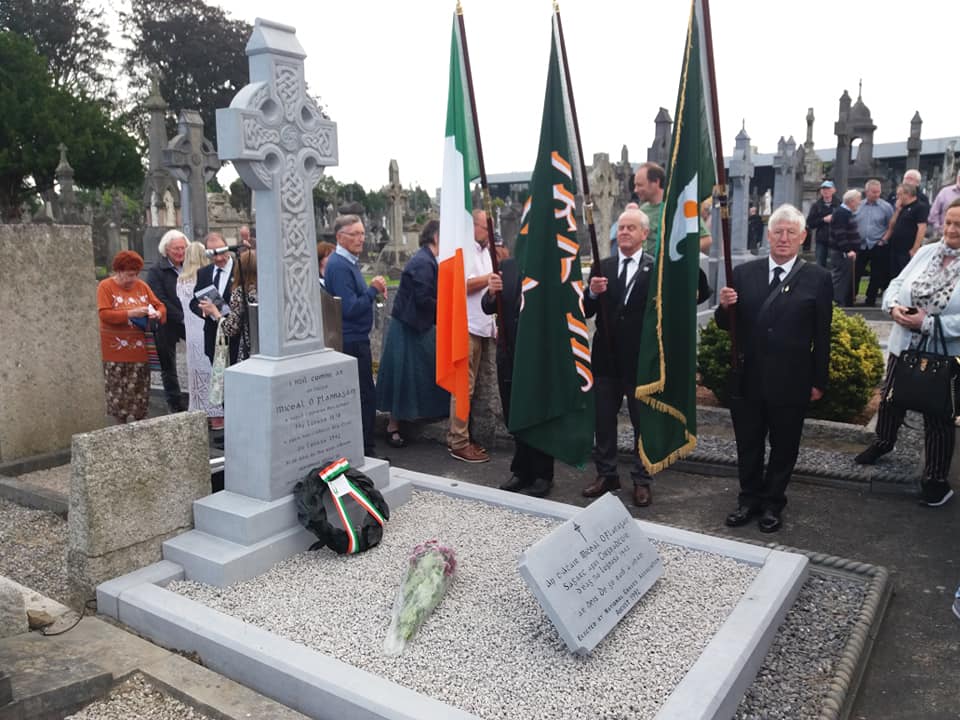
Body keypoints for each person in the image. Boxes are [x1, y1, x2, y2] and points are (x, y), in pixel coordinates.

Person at [716, 204, 833, 532]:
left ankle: (772, 503)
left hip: (792, 379)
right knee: (748, 444)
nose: (783, 238)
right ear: (768, 235)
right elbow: (727, 325)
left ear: (803, 237)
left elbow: (823, 333)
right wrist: (725, 308)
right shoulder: (743, 273)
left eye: (790, 232)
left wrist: (819, 380)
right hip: (748, 378)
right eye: (778, 232)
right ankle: (748, 498)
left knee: (784, 446)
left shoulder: (818, 278)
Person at [854, 199, 960, 508]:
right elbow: (898, 282)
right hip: (905, 346)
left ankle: (937, 479)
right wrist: (892, 306)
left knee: (938, 416)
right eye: (949, 222)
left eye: (959, 225)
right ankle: (883, 443)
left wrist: (927, 323)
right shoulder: (928, 252)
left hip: (945, 356)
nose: (952, 229)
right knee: (890, 398)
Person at [581, 207, 656, 507]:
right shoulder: (604, 267)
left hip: (640, 358)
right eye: (621, 228)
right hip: (605, 358)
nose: (624, 232)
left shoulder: (654, 267)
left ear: (644, 234)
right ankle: (607, 473)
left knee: (642, 422)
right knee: (603, 419)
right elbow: (586, 311)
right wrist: (592, 292)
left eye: (630, 228)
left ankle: (642, 479)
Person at [480, 258, 555, 497]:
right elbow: (488, 306)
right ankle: (522, 471)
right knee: (515, 414)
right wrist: (491, 292)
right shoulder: (509, 266)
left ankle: (543, 474)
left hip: (537, 354)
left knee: (538, 416)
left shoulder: (547, 262)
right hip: (509, 352)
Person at [376, 220, 450, 447]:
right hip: (409, 327)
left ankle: (422, 415)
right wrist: (448, 309)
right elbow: (423, 299)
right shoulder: (423, 263)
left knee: (421, 373)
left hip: (417, 326)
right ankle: (393, 427)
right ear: (436, 237)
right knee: (403, 377)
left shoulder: (427, 260)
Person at [325, 215, 387, 457]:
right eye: (355, 234)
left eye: (362, 233)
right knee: (363, 397)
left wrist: (371, 290)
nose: (361, 238)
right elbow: (349, 308)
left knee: (364, 395)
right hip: (351, 340)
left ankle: (364, 447)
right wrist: (372, 290)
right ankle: (365, 451)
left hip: (355, 337)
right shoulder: (340, 265)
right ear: (340, 237)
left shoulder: (348, 262)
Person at [445, 209, 496, 463]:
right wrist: (490, 278)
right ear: (473, 227)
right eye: (486, 227)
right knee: (463, 387)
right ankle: (458, 441)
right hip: (466, 326)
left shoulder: (486, 252)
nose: (490, 232)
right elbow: (461, 285)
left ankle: (463, 436)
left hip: (483, 325)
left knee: (473, 387)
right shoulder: (463, 251)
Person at [97, 251, 166, 424]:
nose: (133, 279)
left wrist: (157, 313)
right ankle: (120, 428)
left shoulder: (142, 286)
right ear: (118, 271)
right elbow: (105, 314)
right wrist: (130, 313)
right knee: (118, 396)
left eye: (136, 274)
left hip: (140, 352)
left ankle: (139, 428)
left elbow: (160, 306)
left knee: (139, 396)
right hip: (115, 352)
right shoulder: (105, 287)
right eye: (129, 275)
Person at [175, 241, 223, 429]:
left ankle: (200, 414)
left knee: (196, 373)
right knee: (213, 371)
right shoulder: (205, 278)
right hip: (206, 328)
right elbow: (217, 306)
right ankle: (218, 416)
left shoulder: (181, 280)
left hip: (191, 332)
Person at [146, 229, 188, 412]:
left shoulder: (190, 266)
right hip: (166, 321)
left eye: (183, 248)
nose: (180, 252)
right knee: (168, 364)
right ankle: (175, 403)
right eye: (176, 249)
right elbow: (159, 298)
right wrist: (181, 316)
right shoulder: (157, 270)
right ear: (166, 250)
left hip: (191, 319)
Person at [200, 249, 258, 362]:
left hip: (249, 348)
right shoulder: (268, 288)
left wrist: (215, 312)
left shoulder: (241, 291)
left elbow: (230, 329)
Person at [189, 232, 238, 366]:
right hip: (213, 337)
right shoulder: (204, 273)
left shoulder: (239, 270)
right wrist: (204, 311)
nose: (219, 258)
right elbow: (193, 302)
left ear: (227, 248)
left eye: (222, 252)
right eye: (214, 254)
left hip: (236, 339)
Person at [854, 179, 894, 307]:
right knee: (856, 272)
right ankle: (852, 297)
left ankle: (870, 299)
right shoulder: (858, 205)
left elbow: (891, 225)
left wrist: (884, 240)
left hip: (878, 244)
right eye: (873, 192)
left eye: (878, 192)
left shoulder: (886, 207)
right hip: (860, 244)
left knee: (876, 274)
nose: (876, 195)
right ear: (867, 192)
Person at [884, 183, 928, 279]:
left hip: (908, 248)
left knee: (906, 274)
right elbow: (892, 224)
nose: (897, 197)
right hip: (896, 247)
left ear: (907, 194)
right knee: (894, 275)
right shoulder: (902, 208)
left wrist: (915, 248)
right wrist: (897, 210)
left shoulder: (920, 207)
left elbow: (922, 228)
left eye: (899, 194)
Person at [829, 189, 862, 306]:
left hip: (846, 251)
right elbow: (840, 234)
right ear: (851, 201)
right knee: (840, 278)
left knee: (845, 278)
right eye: (858, 200)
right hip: (842, 252)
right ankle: (835, 302)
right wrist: (847, 250)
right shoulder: (841, 213)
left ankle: (842, 301)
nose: (859, 203)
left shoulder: (845, 213)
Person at [806, 180, 840, 268]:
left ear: (833, 190)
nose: (826, 191)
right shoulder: (816, 205)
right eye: (824, 189)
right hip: (821, 240)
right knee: (820, 265)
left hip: (835, 240)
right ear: (821, 191)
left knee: (834, 265)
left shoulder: (839, 204)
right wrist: (823, 220)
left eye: (828, 189)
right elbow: (810, 223)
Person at [634, 162, 666, 254]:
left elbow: (705, 239)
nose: (635, 190)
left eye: (640, 185)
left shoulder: (676, 207)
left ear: (656, 182)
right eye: (635, 185)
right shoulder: (642, 211)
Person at [927, 171, 960, 239]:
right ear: (958, 177)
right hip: (943, 236)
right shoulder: (945, 192)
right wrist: (940, 229)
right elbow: (933, 215)